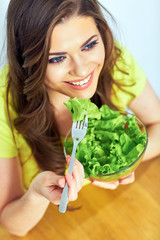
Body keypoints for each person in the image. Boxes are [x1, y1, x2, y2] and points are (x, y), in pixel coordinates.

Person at [0, 0, 160, 236]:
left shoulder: (115, 59)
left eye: (89, 45)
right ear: (28, 63)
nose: (82, 69)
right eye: (57, 58)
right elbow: (14, 224)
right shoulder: (4, 101)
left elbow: (157, 124)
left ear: (101, 33)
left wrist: (117, 165)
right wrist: (37, 192)